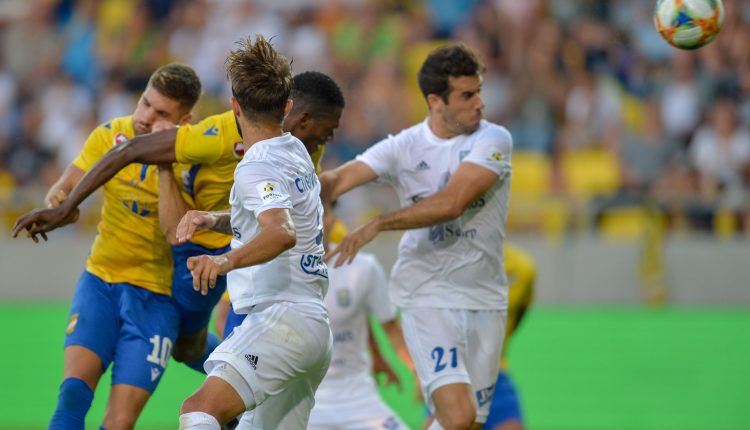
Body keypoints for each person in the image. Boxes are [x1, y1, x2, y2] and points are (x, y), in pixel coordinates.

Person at [12, 68, 346, 376]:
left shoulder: (306, 147)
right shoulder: (216, 135)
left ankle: (236, 394)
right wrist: (66, 205)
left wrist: (328, 225)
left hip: (254, 255)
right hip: (203, 247)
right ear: (300, 117)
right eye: (328, 129)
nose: (329, 137)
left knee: (238, 363)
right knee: (188, 348)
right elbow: (127, 152)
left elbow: (299, 204)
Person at [319, 43, 513, 430]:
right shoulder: (404, 147)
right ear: (436, 101)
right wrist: (303, 184)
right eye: (467, 95)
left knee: (469, 423)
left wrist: (378, 223)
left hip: (485, 297)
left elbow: (453, 202)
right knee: (458, 416)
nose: (480, 103)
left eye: (478, 92)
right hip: (426, 293)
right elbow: (338, 180)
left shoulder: (494, 139)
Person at [13, 63, 202, 429]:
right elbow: (66, 185)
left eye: (161, 114)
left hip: (155, 298)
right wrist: (58, 202)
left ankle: (241, 372)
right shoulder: (110, 135)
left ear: (185, 121)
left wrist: (163, 158)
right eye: (145, 103)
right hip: (100, 282)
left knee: (119, 423)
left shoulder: (195, 159)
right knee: (72, 394)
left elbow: (176, 233)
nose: (145, 118)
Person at [175, 35, 332, 429]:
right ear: (287, 107)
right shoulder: (295, 150)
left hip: (281, 320)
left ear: (234, 107)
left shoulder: (255, 165)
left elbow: (281, 231)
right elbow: (272, 214)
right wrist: (213, 220)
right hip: (312, 325)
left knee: (199, 411)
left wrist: (223, 261)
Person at [306, 207, 409, 430]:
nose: (314, 219)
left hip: (359, 397)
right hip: (303, 402)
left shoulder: (362, 266)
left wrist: (418, 374)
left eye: (321, 210)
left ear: (332, 217)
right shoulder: (275, 270)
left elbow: (386, 326)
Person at [482, 244, 535, 430]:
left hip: (496, 375)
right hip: (454, 375)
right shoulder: (447, 260)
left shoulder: (521, 268)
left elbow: (517, 316)